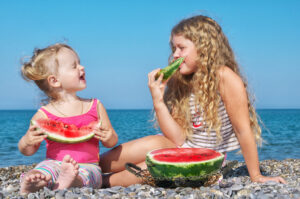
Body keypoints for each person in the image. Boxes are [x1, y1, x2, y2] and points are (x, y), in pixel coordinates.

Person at [100, 15, 286, 187]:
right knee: (153, 143)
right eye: (174, 48)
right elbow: (177, 139)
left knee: (154, 168)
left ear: (204, 47)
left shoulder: (225, 77)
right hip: (180, 148)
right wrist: (158, 100)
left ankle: (99, 182)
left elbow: (243, 130)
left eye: (181, 48)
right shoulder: (178, 82)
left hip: (206, 163)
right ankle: (88, 165)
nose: (175, 54)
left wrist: (256, 175)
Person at [18, 43, 118, 194]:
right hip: (53, 162)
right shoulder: (43, 114)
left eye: (80, 63)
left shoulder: (95, 106)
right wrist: (27, 141)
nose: (82, 67)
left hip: (88, 165)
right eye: (74, 66)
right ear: (54, 81)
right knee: (44, 169)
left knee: (90, 175)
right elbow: (28, 151)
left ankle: (73, 180)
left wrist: (109, 136)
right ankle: (32, 181)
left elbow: (111, 141)